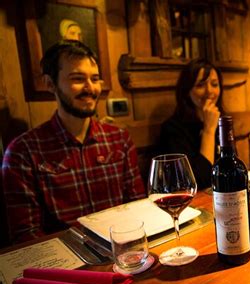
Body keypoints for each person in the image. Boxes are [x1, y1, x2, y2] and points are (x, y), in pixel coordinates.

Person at [2, 40, 145, 243]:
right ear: (50, 84)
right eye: (78, 79)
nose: (90, 88)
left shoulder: (118, 139)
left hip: (123, 249)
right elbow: (27, 235)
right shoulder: (22, 151)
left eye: (95, 79)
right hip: (65, 264)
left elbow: (138, 207)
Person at [158, 58, 223, 189]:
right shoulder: (173, 129)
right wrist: (209, 131)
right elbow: (200, 182)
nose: (209, 91)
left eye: (214, 84)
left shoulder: (223, 121)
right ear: (186, 91)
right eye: (200, 85)